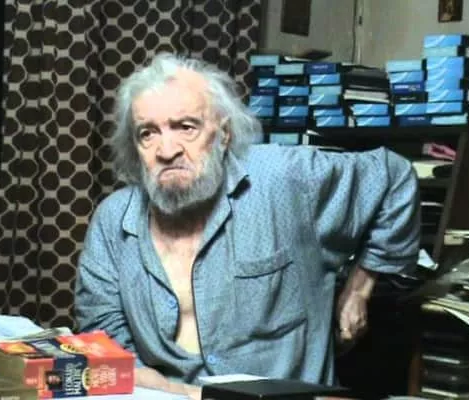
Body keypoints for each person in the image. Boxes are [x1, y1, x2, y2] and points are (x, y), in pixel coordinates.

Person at [75, 52, 420, 399]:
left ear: (224, 134)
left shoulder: (284, 178)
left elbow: (395, 178)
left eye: (186, 127)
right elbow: (104, 335)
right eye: (148, 133)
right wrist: (162, 386)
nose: (166, 150)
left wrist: (359, 290)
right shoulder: (112, 221)